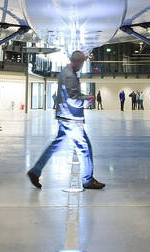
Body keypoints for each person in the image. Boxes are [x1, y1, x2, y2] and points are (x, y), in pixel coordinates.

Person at [27, 50, 104, 190]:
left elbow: (71, 94)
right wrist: (88, 99)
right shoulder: (70, 75)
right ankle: (87, 180)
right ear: (77, 62)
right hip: (72, 118)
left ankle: (35, 171)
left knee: (55, 146)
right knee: (84, 148)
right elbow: (73, 99)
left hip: (65, 116)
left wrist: (84, 97)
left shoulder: (66, 72)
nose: (82, 65)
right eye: (82, 63)